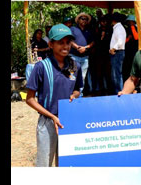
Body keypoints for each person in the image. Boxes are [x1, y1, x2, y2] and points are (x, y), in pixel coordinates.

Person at [24, 24, 81, 167]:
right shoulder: (42, 67)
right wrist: (52, 116)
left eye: (68, 42)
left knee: (65, 163)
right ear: (50, 44)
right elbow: (29, 99)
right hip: (47, 122)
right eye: (60, 42)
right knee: (44, 164)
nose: (65, 46)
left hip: (68, 121)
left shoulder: (75, 66)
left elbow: (77, 90)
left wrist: (74, 95)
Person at [70, 12, 94, 95]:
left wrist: (85, 47)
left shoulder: (89, 30)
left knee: (82, 77)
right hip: (74, 56)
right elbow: (70, 40)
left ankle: (79, 95)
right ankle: (71, 94)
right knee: (72, 76)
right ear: (78, 20)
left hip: (85, 57)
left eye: (86, 19)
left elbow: (93, 42)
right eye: (82, 18)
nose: (84, 20)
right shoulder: (73, 29)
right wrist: (77, 47)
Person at [108, 12, 127, 95]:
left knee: (116, 74)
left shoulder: (118, 28)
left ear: (113, 20)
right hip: (118, 52)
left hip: (117, 52)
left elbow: (120, 41)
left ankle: (119, 92)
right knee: (116, 73)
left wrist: (113, 48)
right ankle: (118, 91)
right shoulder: (118, 28)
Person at [123, 15, 140, 85]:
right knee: (127, 67)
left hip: (134, 51)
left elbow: (136, 38)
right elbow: (123, 41)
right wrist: (128, 39)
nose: (130, 23)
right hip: (127, 52)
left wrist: (133, 27)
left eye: (131, 22)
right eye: (129, 22)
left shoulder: (136, 28)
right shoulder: (126, 29)